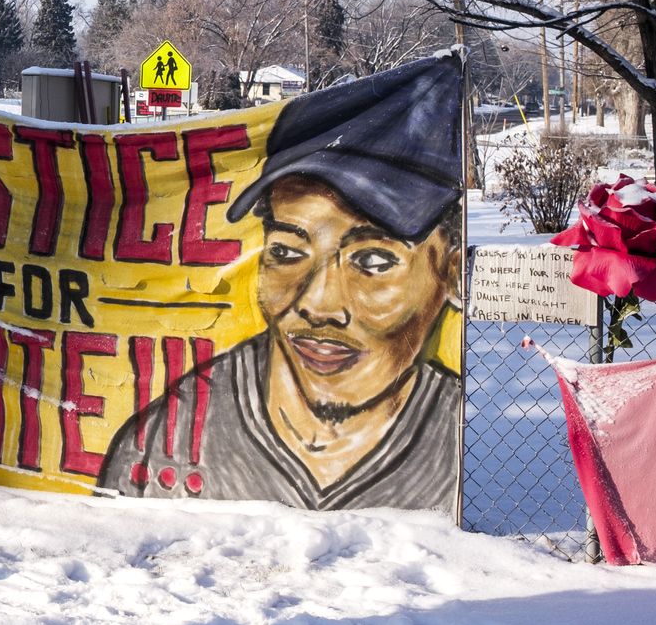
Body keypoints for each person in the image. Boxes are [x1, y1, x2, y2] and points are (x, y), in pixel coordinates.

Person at [101, 56, 464, 512]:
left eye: (372, 261)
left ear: (450, 271)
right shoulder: (167, 438)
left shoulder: (448, 439)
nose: (318, 304)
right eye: (288, 253)